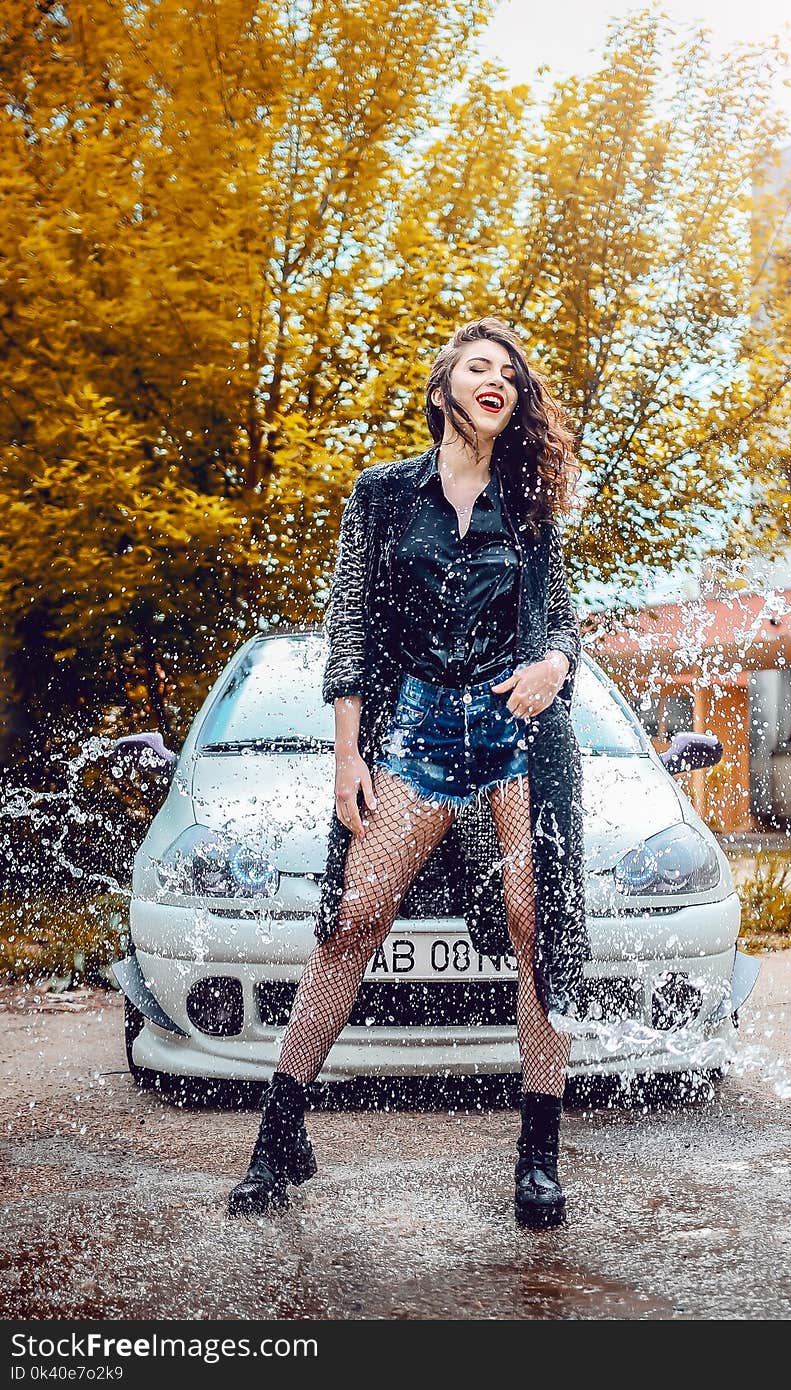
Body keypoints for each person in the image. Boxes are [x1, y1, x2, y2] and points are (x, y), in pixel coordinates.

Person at [228, 317, 589, 1229]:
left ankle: (538, 1151)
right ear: (444, 391)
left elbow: (558, 623)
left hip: (513, 732)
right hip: (414, 729)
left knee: (534, 918)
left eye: (509, 371)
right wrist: (348, 753)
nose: (496, 378)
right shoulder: (383, 494)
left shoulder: (533, 500)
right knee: (354, 920)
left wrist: (554, 667)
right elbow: (350, 626)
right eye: (478, 367)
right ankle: (281, 1137)